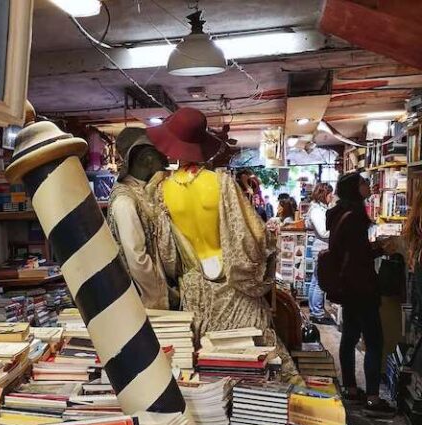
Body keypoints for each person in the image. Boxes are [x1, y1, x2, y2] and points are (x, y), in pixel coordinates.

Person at [146, 107, 297, 380]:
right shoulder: (220, 183)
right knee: (253, 360)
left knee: (205, 365)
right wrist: (270, 243)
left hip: (193, 286)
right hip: (233, 283)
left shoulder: (161, 191)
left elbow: (166, 251)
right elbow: (252, 237)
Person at [326, 172, 393, 416]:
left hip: (348, 287)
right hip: (362, 287)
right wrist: (379, 248)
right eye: (364, 183)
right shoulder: (354, 217)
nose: (368, 186)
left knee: (350, 336)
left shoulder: (337, 214)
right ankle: (373, 398)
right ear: (355, 188)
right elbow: (358, 256)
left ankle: (351, 389)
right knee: (375, 341)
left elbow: (347, 252)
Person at [107, 127, 177, 309]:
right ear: (147, 158)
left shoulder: (141, 193)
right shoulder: (125, 200)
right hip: (145, 302)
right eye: (160, 157)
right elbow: (137, 257)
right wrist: (160, 295)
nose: (165, 163)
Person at [306, 183, 335, 325]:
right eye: (330, 194)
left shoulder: (319, 208)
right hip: (322, 249)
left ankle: (314, 311)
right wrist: (339, 230)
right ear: (324, 195)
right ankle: (317, 313)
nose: (332, 196)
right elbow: (323, 232)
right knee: (320, 283)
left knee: (316, 280)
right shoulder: (317, 210)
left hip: (321, 248)